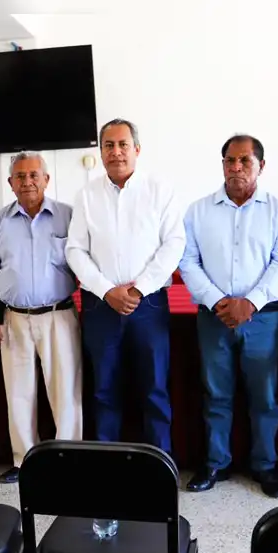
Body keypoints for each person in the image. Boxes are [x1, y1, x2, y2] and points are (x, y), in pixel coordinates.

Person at [179, 135, 278, 497]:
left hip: (262, 318)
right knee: (216, 393)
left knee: (265, 396)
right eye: (230, 160)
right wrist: (218, 301)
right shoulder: (198, 211)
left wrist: (251, 303)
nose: (236, 167)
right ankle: (216, 462)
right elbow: (188, 262)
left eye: (245, 161)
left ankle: (265, 465)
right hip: (213, 318)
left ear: (261, 166)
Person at [65, 119, 186, 454]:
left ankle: (160, 465)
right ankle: (108, 466)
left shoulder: (159, 190)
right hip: (100, 306)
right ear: (101, 151)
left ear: (137, 149)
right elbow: (75, 250)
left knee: (154, 389)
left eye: (123, 144)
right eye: (109, 145)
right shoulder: (86, 195)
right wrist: (106, 290)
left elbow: (174, 244)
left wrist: (138, 289)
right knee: (104, 391)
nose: (116, 152)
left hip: (148, 305)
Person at [0, 152, 83, 484]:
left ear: (46, 179)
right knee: (18, 392)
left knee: (65, 392)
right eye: (20, 177)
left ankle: (69, 458)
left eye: (34, 175)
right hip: (14, 318)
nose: (27, 182)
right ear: (10, 183)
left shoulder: (68, 216)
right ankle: (24, 461)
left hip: (58, 316)